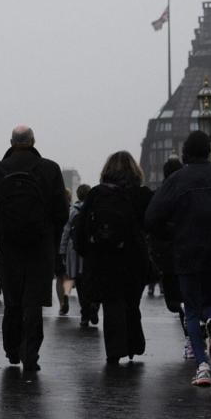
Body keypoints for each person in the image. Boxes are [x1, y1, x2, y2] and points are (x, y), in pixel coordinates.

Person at [145, 131, 211, 388]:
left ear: (185, 153)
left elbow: (151, 219)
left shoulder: (176, 181)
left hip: (186, 252)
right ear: (208, 152)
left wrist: (172, 235)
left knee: (192, 310)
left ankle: (203, 366)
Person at [0, 125, 69, 375]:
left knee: (12, 300)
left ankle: (11, 348)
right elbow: (61, 212)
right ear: (33, 141)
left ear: (11, 142)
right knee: (33, 302)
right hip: (40, 246)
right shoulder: (50, 169)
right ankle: (30, 352)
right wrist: (49, 236)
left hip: (9, 246)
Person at [73, 151, 154, 365]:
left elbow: (80, 228)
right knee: (131, 302)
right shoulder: (142, 195)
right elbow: (154, 225)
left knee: (111, 304)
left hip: (103, 259)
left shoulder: (97, 194)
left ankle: (114, 350)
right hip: (134, 259)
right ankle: (134, 344)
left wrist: (86, 252)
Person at [149, 155, 191, 358]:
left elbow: (151, 223)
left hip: (168, 255)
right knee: (194, 294)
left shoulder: (160, 194)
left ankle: (187, 321)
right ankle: (199, 325)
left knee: (175, 300)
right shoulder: (190, 192)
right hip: (192, 250)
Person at [59, 184, 97, 328]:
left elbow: (66, 231)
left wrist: (62, 250)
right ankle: (94, 304)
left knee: (79, 283)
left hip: (74, 252)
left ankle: (84, 313)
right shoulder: (95, 209)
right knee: (92, 281)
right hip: (91, 252)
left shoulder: (73, 211)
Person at [54, 188, 73, 316]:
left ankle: (62, 303)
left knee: (59, 276)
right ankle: (66, 295)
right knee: (67, 276)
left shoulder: (55, 212)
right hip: (70, 249)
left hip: (57, 246)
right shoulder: (73, 211)